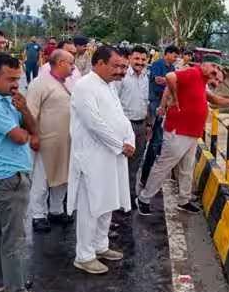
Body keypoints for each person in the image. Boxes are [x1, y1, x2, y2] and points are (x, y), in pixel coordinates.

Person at [0, 52, 50, 292]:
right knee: (13, 238)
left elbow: (32, 128)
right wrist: (26, 129)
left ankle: (1, 283)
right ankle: (15, 291)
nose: (16, 84)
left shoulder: (7, 99)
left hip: (8, 175)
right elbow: (20, 136)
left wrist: (25, 107)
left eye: (18, 78)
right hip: (8, 177)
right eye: (10, 79)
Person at [136, 63, 229, 215]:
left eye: (219, 81)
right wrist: (174, 97)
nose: (216, 82)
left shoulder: (202, 82)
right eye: (215, 77)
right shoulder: (193, 73)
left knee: (187, 169)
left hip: (192, 133)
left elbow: (213, 99)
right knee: (163, 166)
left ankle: (184, 200)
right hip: (179, 130)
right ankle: (144, 199)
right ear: (211, 67)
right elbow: (170, 77)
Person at [67, 46, 134, 275]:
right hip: (92, 157)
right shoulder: (84, 86)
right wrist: (119, 145)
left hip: (112, 156)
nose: (120, 71)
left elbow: (121, 117)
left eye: (122, 66)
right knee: (91, 206)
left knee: (107, 203)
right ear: (99, 63)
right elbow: (93, 123)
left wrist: (130, 140)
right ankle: (84, 255)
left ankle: (100, 245)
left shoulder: (109, 86)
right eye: (115, 66)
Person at [26, 50, 75, 233]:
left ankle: (56, 210)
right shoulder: (39, 84)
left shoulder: (68, 83)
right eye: (71, 63)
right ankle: (38, 214)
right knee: (42, 177)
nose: (73, 67)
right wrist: (34, 136)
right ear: (61, 62)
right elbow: (30, 113)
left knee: (63, 176)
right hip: (46, 139)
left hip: (66, 140)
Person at [112, 46, 149, 206]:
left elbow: (145, 102)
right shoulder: (122, 77)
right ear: (130, 59)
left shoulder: (145, 77)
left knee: (135, 163)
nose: (139, 62)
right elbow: (114, 102)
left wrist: (148, 125)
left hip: (141, 126)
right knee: (120, 163)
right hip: (125, 126)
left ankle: (129, 196)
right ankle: (117, 199)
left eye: (143, 59)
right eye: (136, 59)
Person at [139, 45, 179, 191]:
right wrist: (169, 82)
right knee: (154, 141)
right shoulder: (157, 65)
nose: (175, 59)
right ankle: (145, 177)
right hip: (156, 103)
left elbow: (169, 83)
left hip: (166, 103)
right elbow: (158, 81)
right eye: (174, 55)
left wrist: (167, 82)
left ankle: (150, 177)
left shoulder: (172, 69)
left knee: (159, 143)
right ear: (167, 54)